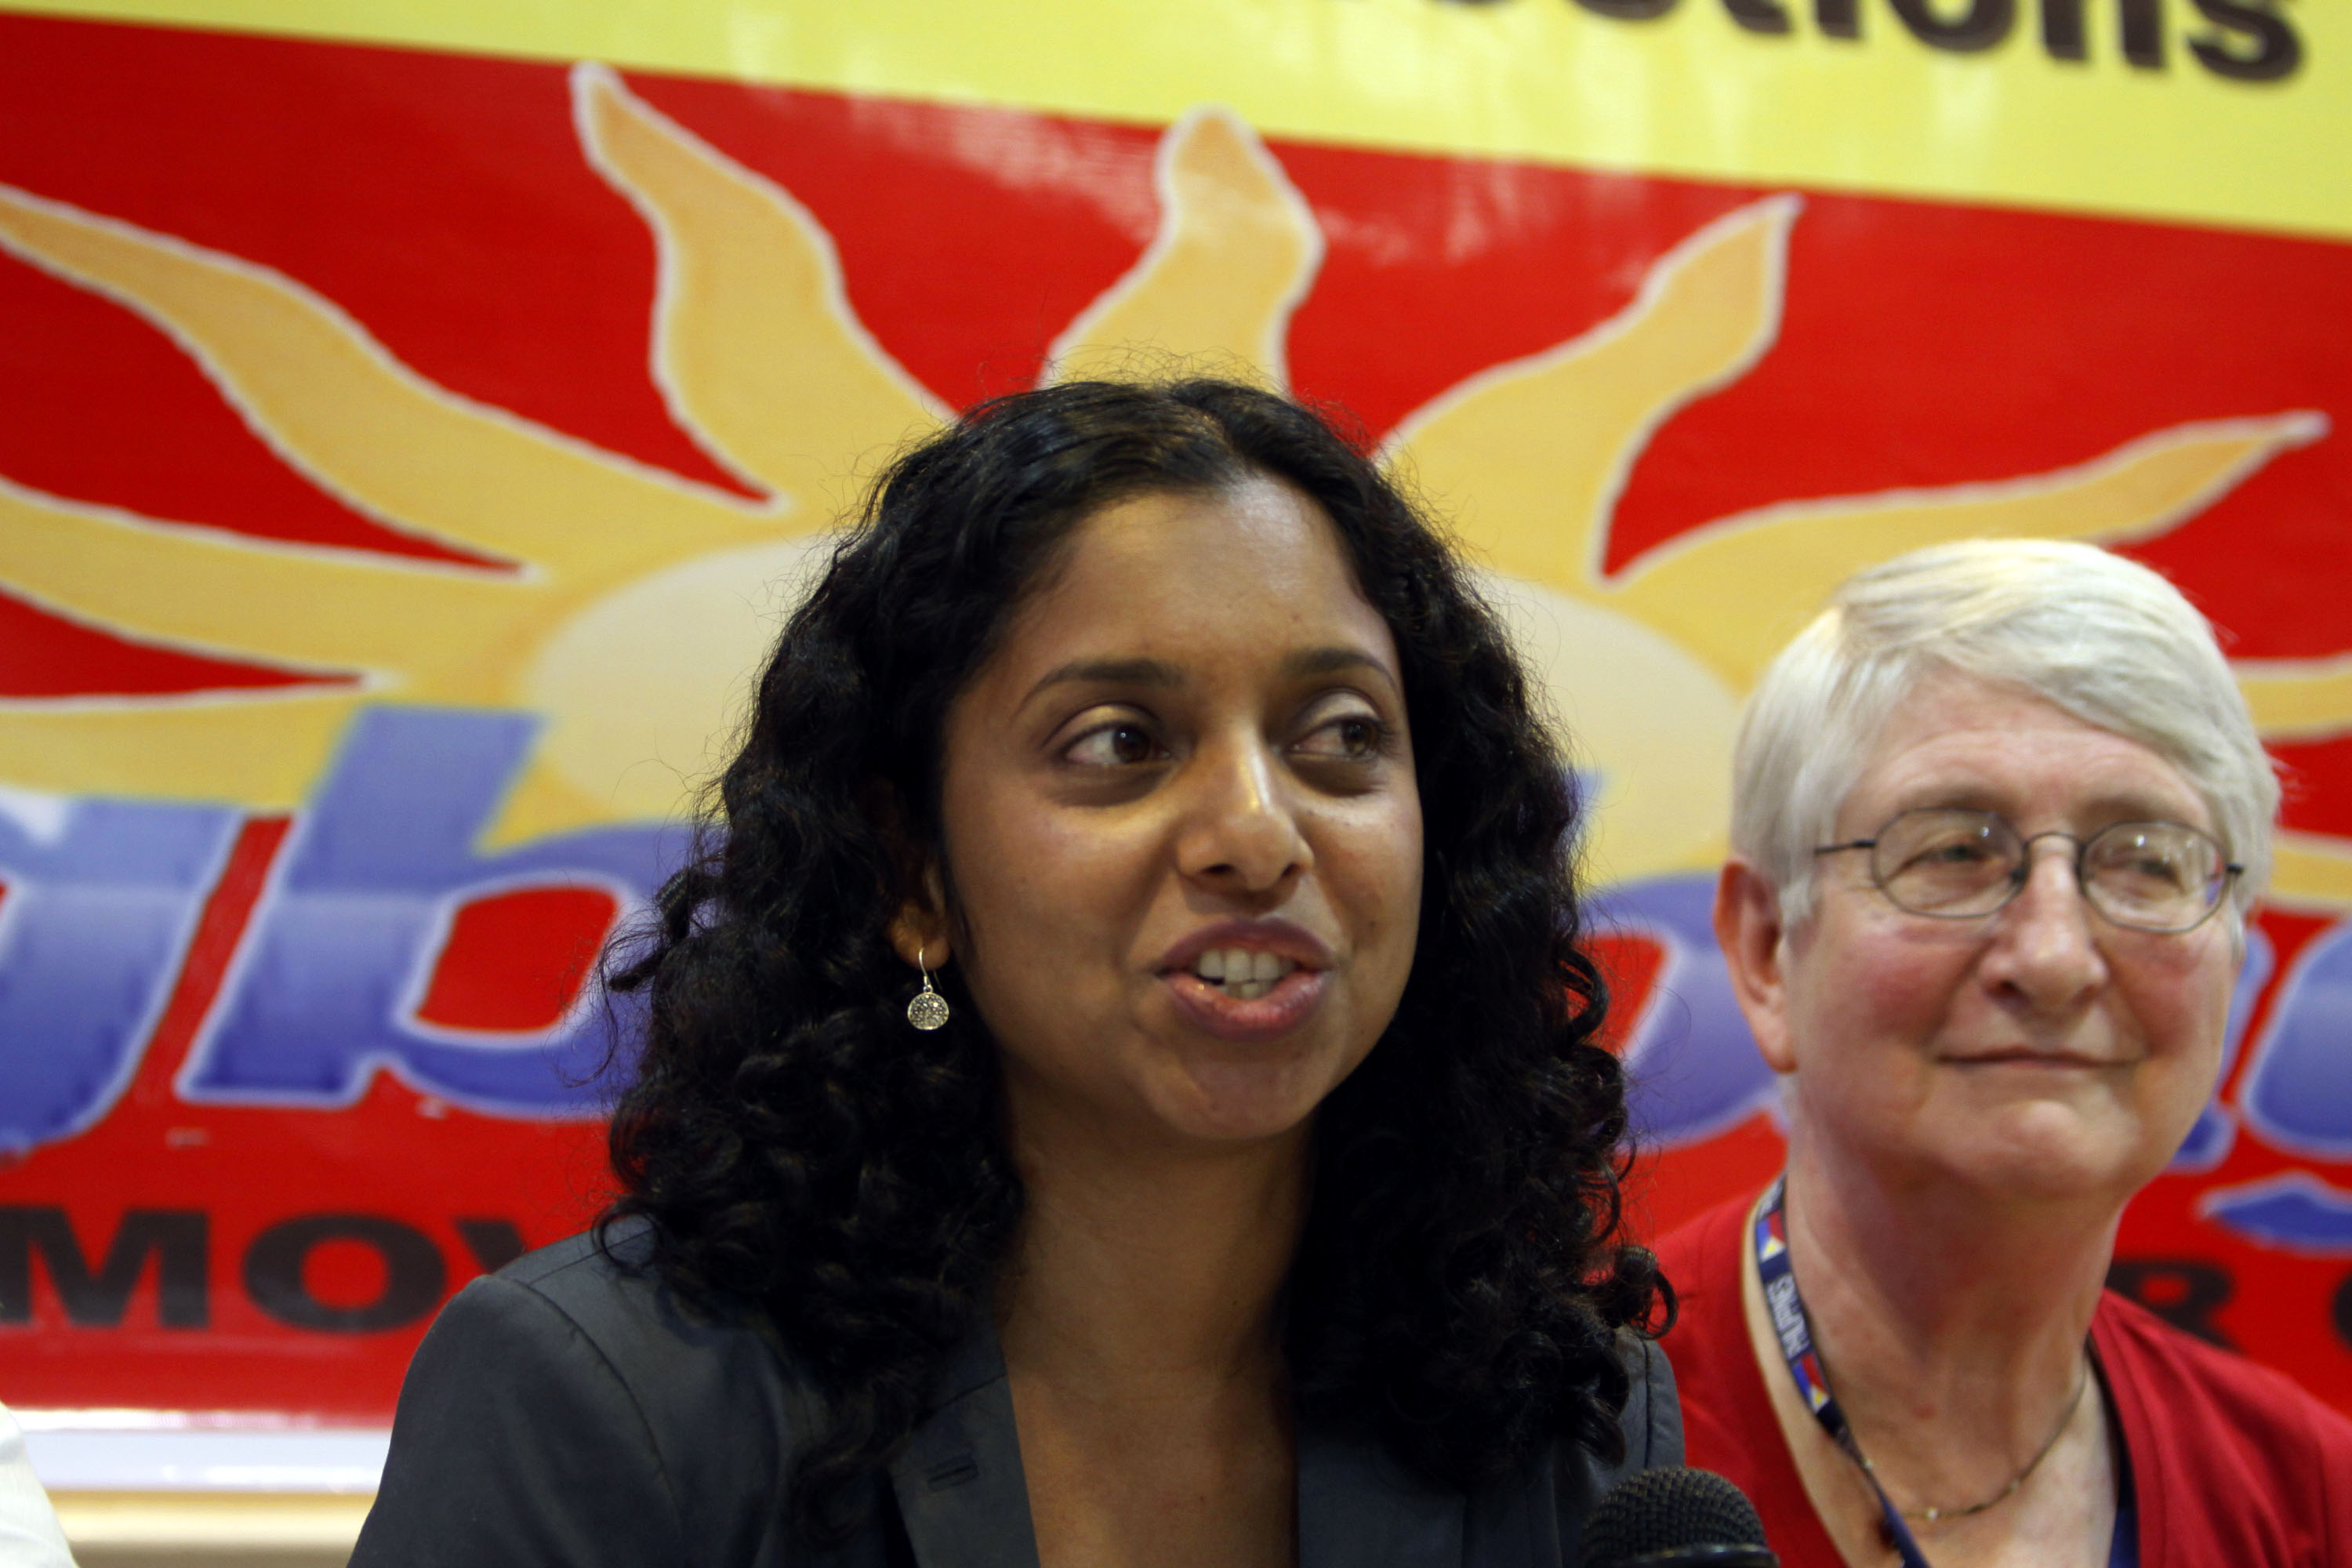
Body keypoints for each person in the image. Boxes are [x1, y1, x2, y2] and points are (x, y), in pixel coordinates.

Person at [349, 379, 1679, 1567]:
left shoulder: (1570, 1424)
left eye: (1339, 736)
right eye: (1120, 743)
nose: (1260, 835)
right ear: (915, 872)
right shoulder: (608, 1407)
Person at [1657, 539, 2352, 1567]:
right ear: (1766, 951)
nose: (2056, 958)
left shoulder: (2308, 1504)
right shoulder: (1518, 1446)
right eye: (1951, 853)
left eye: (2149, 863)